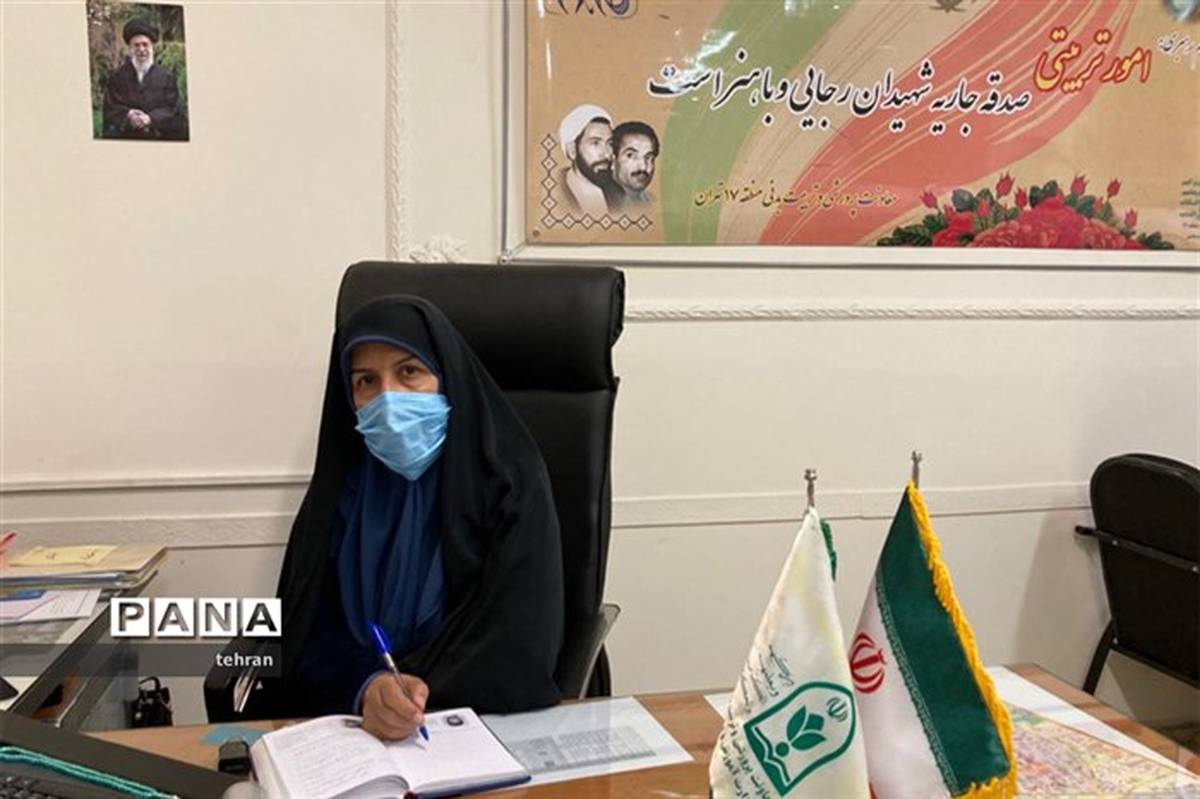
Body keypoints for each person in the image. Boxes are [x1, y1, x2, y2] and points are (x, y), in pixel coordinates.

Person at [275, 295, 565, 739]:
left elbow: (516, 641)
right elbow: (306, 629)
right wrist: (367, 688)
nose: (388, 399)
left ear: (447, 378)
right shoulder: (341, 492)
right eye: (366, 381)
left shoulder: (509, 482)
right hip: (352, 730)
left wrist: (410, 697)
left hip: (475, 729)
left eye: (409, 372)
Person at [102, 19, 188, 140]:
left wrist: (151, 118)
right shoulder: (117, 77)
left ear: (152, 47)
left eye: (145, 44)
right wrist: (128, 114)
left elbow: (174, 109)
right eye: (136, 45)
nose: (141, 49)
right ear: (130, 48)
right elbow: (110, 108)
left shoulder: (166, 77)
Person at [553, 104, 614, 218]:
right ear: (572, 150)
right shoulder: (553, 193)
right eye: (595, 143)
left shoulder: (620, 192)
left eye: (610, 143)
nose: (607, 154)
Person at [609, 121, 659, 210]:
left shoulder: (652, 203)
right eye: (631, 155)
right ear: (613, 161)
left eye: (648, 157)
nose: (643, 166)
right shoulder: (596, 202)